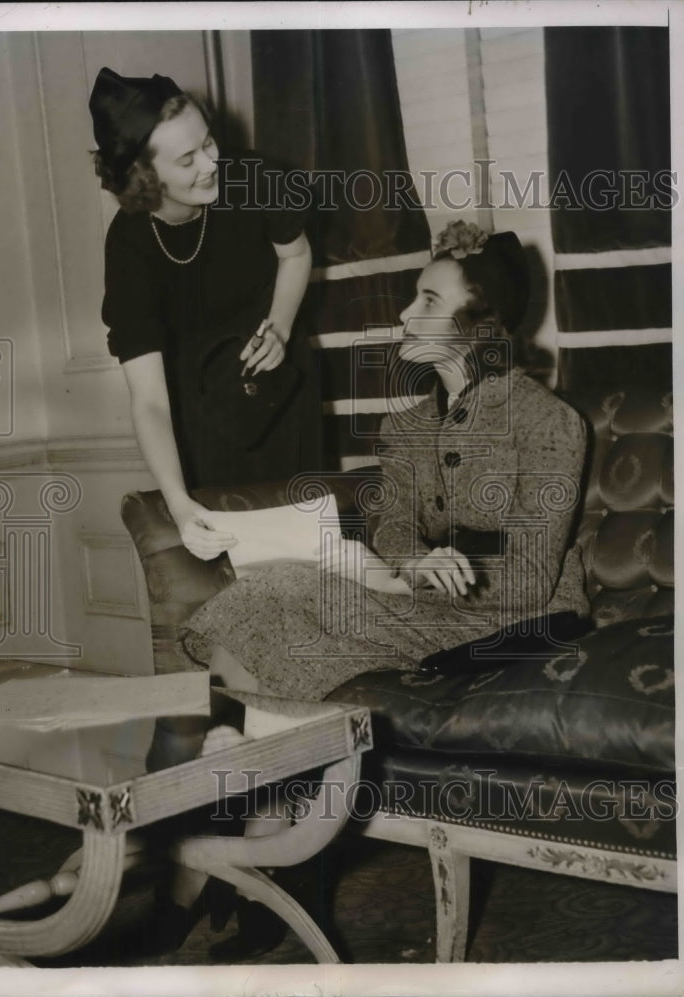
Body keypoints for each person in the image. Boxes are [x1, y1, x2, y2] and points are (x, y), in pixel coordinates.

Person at [183, 220, 591, 699]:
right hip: (433, 610)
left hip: (521, 621)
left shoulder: (549, 421)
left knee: (273, 605)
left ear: (481, 322)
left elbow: (531, 580)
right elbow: (392, 525)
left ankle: (266, 766)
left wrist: (419, 582)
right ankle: (258, 765)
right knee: (264, 596)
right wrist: (415, 562)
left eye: (429, 301)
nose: (405, 312)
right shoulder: (404, 425)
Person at [89, 67, 321, 561]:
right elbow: (149, 398)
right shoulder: (129, 247)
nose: (213, 162)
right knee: (240, 574)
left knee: (313, 559)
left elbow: (296, 254)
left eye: (209, 142)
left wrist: (278, 328)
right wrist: (178, 503)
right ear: (144, 176)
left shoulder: (254, 178)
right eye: (188, 158)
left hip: (280, 390)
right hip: (200, 418)